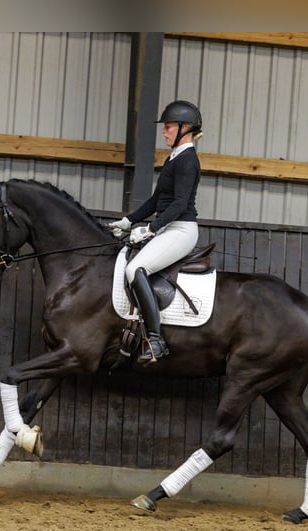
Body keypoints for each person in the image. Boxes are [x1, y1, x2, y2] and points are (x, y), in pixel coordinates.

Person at [108, 100, 203, 364]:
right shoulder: (174, 158)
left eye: (169, 127)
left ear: (185, 128)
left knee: (134, 270)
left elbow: (180, 204)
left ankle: (156, 340)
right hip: (169, 227)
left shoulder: (187, 160)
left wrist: (151, 228)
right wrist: (129, 221)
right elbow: (155, 200)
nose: (164, 131)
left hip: (181, 229)